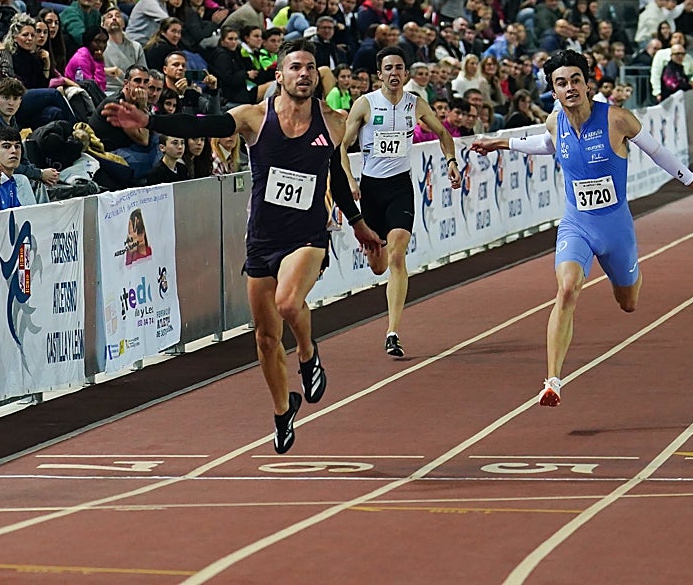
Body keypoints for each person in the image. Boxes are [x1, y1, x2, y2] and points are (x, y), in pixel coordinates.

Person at [102, 38, 383, 454]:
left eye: (310, 67)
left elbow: (335, 177)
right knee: (266, 339)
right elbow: (202, 126)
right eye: (295, 67)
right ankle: (283, 408)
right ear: (279, 75)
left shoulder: (335, 122)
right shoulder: (254, 117)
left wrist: (357, 223)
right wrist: (151, 120)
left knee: (289, 304)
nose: (303, 74)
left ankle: (308, 354)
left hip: (307, 236)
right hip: (262, 240)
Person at [471, 49, 693, 406]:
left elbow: (659, 154)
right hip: (576, 224)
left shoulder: (617, 119)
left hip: (616, 229)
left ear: (587, 83)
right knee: (566, 289)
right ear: (554, 90)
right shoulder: (554, 121)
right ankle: (553, 381)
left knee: (628, 303)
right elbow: (546, 144)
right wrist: (500, 143)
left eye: (576, 80)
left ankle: (631, 275)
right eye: (561, 83)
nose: (570, 87)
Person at [341, 47, 462, 357]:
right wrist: (350, 180)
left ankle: (392, 331)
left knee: (397, 257)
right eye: (388, 68)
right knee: (379, 265)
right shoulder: (365, 104)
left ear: (406, 74)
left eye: (399, 68)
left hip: (400, 189)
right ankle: (377, 253)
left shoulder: (416, 103)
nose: (394, 73)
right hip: (371, 189)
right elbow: (341, 146)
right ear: (379, 74)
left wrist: (450, 160)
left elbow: (442, 132)